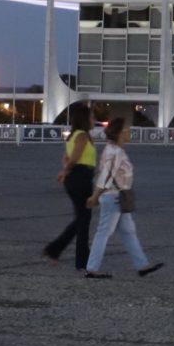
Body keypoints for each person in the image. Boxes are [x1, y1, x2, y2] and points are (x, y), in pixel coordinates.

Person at [83, 116, 164, 279]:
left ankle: (142, 266)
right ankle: (91, 268)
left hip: (118, 197)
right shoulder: (115, 151)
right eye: (126, 129)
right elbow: (106, 176)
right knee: (104, 232)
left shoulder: (113, 149)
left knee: (128, 232)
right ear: (119, 132)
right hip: (113, 197)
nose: (129, 132)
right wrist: (95, 196)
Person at [43, 103, 98, 270]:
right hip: (80, 177)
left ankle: (55, 250)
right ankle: (81, 260)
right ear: (85, 119)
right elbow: (73, 159)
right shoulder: (82, 136)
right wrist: (66, 171)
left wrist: (66, 171)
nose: (94, 119)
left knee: (82, 219)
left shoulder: (73, 136)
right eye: (92, 117)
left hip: (76, 178)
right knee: (83, 220)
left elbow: (66, 158)